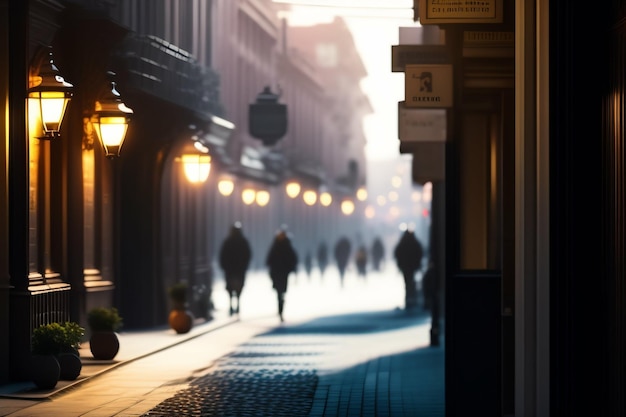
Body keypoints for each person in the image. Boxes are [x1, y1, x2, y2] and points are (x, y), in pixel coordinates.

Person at [218, 221, 252, 316]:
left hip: (233, 270)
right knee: (236, 287)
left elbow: (223, 256)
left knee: (232, 287)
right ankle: (234, 304)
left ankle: (233, 305)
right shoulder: (241, 241)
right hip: (236, 270)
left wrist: (224, 266)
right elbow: (248, 255)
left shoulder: (229, 241)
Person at [266, 228, 298, 322]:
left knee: (281, 291)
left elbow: (293, 259)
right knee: (280, 291)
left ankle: (280, 307)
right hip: (279, 273)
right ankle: (280, 307)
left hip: (281, 273)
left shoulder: (281, 246)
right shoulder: (280, 246)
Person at [393, 227, 424, 310]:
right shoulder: (415, 242)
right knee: (411, 281)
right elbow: (420, 252)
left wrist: (400, 264)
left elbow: (397, 253)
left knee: (407, 282)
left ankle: (408, 299)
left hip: (405, 267)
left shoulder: (402, 242)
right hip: (413, 266)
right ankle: (411, 298)